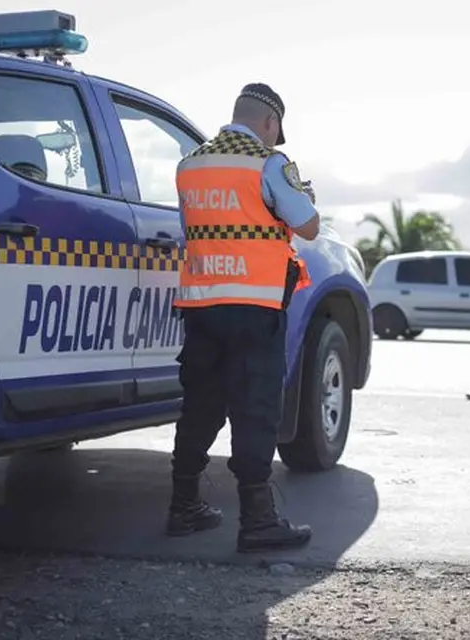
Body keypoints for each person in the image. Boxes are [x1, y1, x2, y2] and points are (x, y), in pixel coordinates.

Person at [168, 82, 321, 553]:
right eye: (276, 131)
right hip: (254, 307)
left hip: (202, 304)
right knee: (255, 409)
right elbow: (308, 226)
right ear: (270, 123)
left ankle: (183, 507)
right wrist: (303, 194)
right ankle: (258, 521)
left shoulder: (190, 164)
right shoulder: (268, 163)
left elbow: (194, 228)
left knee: (200, 405)